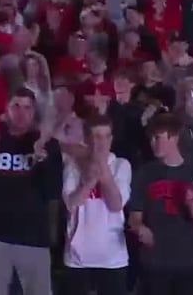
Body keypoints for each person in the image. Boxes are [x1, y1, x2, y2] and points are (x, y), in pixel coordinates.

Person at [0, 87, 62, 295]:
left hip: (34, 239)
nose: (21, 113)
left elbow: (53, 192)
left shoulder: (48, 144)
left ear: (33, 112)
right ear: (7, 109)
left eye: (27, 108)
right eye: (16, 106)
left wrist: (41, 158)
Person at [128, 111, 193, 295]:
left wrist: (192, 207)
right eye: (150, 139)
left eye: (157, 138)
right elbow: (134, 216)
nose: (152, 143)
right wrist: (140, 228)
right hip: (154, 262)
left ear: (174, 138)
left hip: (188, 262)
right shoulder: (144, 174)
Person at [61, 115, 131, 295]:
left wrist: (103, 171)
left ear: (111, 139)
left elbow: (116, 205)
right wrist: (90, 180)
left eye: (106, 136)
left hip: (113, 258)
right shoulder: (72, 167)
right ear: (87, 139)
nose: (102, 142)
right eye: (97, 136)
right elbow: (71, 203)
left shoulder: (121, 165)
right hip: (77, 258)